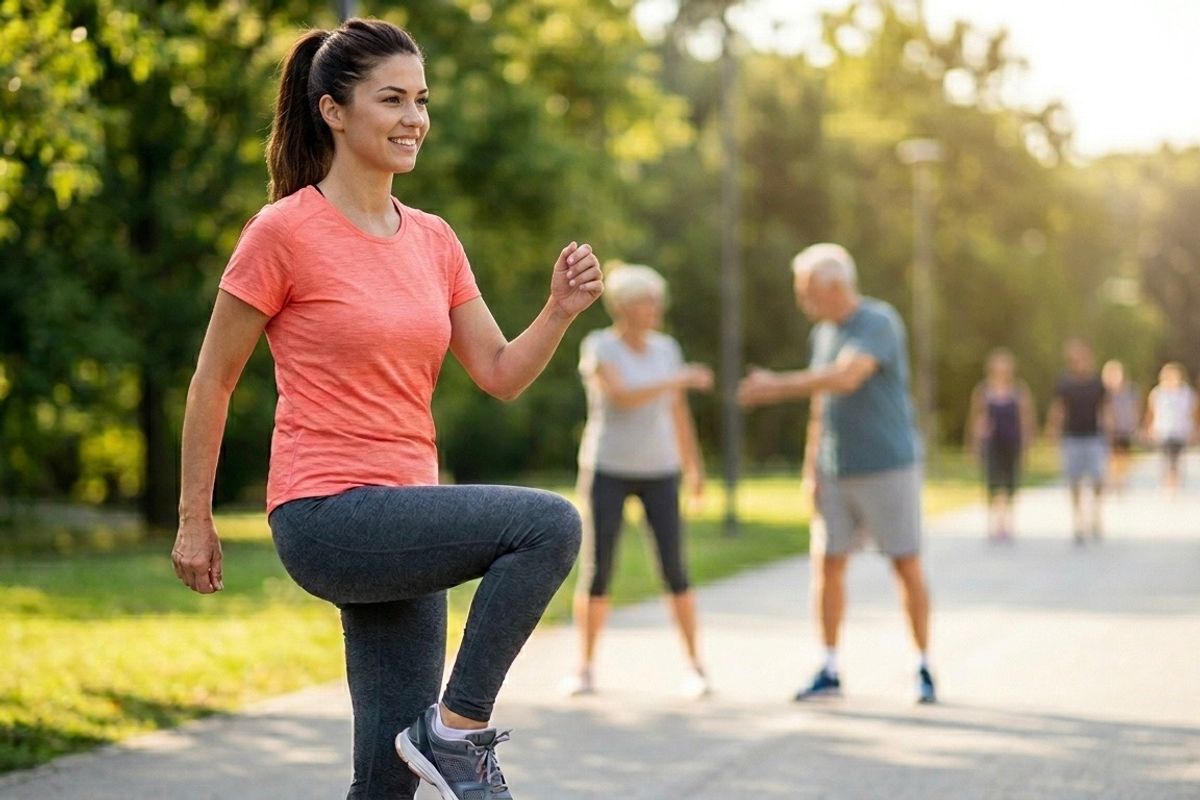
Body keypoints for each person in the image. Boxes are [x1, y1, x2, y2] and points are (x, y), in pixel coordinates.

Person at [170, 19, 603, 800]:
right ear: (334, 110)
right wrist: (194, 519)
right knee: (549, 525)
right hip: (327, 513)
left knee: (385, 783)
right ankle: (458, 730)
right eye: (392, 99)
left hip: (405, 519)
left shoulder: (434, 240)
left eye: (422, 100)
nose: (415, 119)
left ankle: (434, 740)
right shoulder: (282, 232)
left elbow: (500, 374)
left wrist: (559, 311)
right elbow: (213, 379)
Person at [738, 243, 936, 705]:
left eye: (807, 292)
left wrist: (775, 386)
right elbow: (822, 402)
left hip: (887, 466)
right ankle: (829, 667)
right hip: (835, 470)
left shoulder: (878, 322)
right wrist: (812, 467)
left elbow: (848, 377)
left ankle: (922, 665)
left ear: (835, 287)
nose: (802, 302)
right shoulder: (821, 333)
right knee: (827, 565)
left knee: (905, 563)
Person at [568, 264, 714, 698]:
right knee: (598, 570)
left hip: (660, 470)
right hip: (608, 468)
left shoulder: (666, 349)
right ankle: (584, 668)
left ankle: (695, 666)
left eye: (657, 301)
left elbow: (677, 412)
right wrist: (681, 377)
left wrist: (695, 468)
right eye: (647, 301)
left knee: (676, 569)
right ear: (623, 307)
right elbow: (624, 395)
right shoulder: (599, 347)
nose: (655, 309)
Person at [965, 349, 1036, 542]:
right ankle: (994, 523)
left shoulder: (1019, 391)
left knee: (1011, 483)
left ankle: (1008, 522)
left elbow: (1026, 418)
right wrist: (973, 443)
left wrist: (1028, 443)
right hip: (992, 442)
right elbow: (975, 418)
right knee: (993, 482)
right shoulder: (983, 391)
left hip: (1012, 442)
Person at [1046, 339, 1111, 544]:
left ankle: (1096, 514)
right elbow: (1059, 409)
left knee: (1097, 478)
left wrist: (1110, 432)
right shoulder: (1065, 383)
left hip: (1093, 436)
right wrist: (1053, 431)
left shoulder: (1097, 383)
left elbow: (1105, 409)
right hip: (1072, 436)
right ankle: (1078, 520)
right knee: (1074, 480)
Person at [1143, 362, 1197, 493]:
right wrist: (1149, 428)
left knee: (1177, 458)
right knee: (1165, 458)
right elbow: (1151, 412)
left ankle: (1176, 484)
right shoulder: (1158, 393)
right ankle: (1166, 483)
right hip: (1164, 430)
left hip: (1180, 430)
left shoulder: (1187, 393)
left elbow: (1193, 413)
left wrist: (1195, 429)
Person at [1101, 359, 1141, 492]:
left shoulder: (1131, 390)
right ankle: (1112, 479)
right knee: (1110, 454)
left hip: (1124, 427)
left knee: (1123, 454)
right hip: (1108, 429)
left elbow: (1135, 407)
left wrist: (1135, 423)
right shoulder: (1103, 392)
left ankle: (1121, 479)